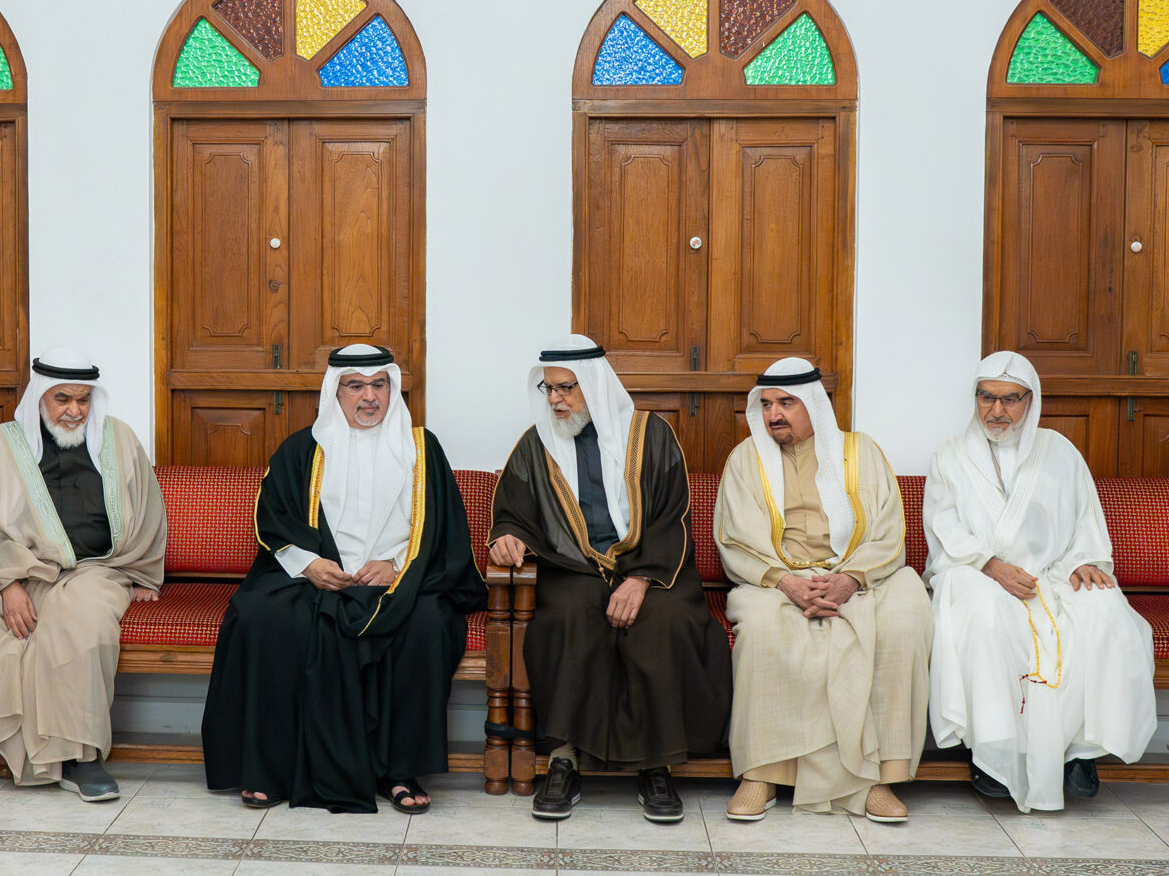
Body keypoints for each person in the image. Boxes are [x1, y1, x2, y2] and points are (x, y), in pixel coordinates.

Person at [201, 344, 485, 813]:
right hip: (318, 579)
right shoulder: (303, 448)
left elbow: (442, 528)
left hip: (400, 579)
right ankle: (271, 768)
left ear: (392, 389)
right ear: (335, 391)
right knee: (260, 616)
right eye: (356, 386)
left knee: (428, 624)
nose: (369, 397)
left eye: (379, 385)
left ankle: (398, 770)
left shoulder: (421, 448)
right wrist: (308, 564)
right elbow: (274, 520)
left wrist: (396, 565)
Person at [0, 348, 165, 801]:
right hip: (6, 569)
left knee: (81, 618)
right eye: (62, 399)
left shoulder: (119, 440)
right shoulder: (1, 443)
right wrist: (8, 583)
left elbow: (149, 511)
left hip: (92, 570)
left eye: (83, 400)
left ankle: (79, 757)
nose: (74, 411)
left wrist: (143, 575)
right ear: (39, 395)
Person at [489, 335, 731, 822]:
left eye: (566, 388)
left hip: (651, 567)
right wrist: (507, 536)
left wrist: (640, 579)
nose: (555, 399)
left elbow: (671, 517)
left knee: (662, 622)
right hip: (574, 566)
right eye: (549, 388)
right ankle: (564, 761)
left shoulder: (652, 435)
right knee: (567, 619)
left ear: (596, 386)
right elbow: (515, 510)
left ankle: (657, 765)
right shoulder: (537, 444)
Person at [924, 351, 1156, 812]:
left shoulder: (1059, 451)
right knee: (982, 612)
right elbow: (944, 526)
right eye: (987, 397)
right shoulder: (950, 454)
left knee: (1105, 610)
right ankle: (992, 750)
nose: (997, 410)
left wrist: (1086, 560)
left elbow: (1085, 518)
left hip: (1051, 574)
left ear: (1031, 401)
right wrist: (991, 565)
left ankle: (1081, 749)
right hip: (976, 572)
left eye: (1010, 399)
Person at [714, 357, 932, 823]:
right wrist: (788, 583)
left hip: (858, 574)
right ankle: (762, 773)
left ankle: (874, 777)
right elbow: (736, 539)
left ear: (814, 405)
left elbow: (889, 532)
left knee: (903, 616)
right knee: (764, 629)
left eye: (786, 403)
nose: (774, 414)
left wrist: (851, 579)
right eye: (767, 405)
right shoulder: (746, 459)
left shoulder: (862, 453)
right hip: (775, 580)